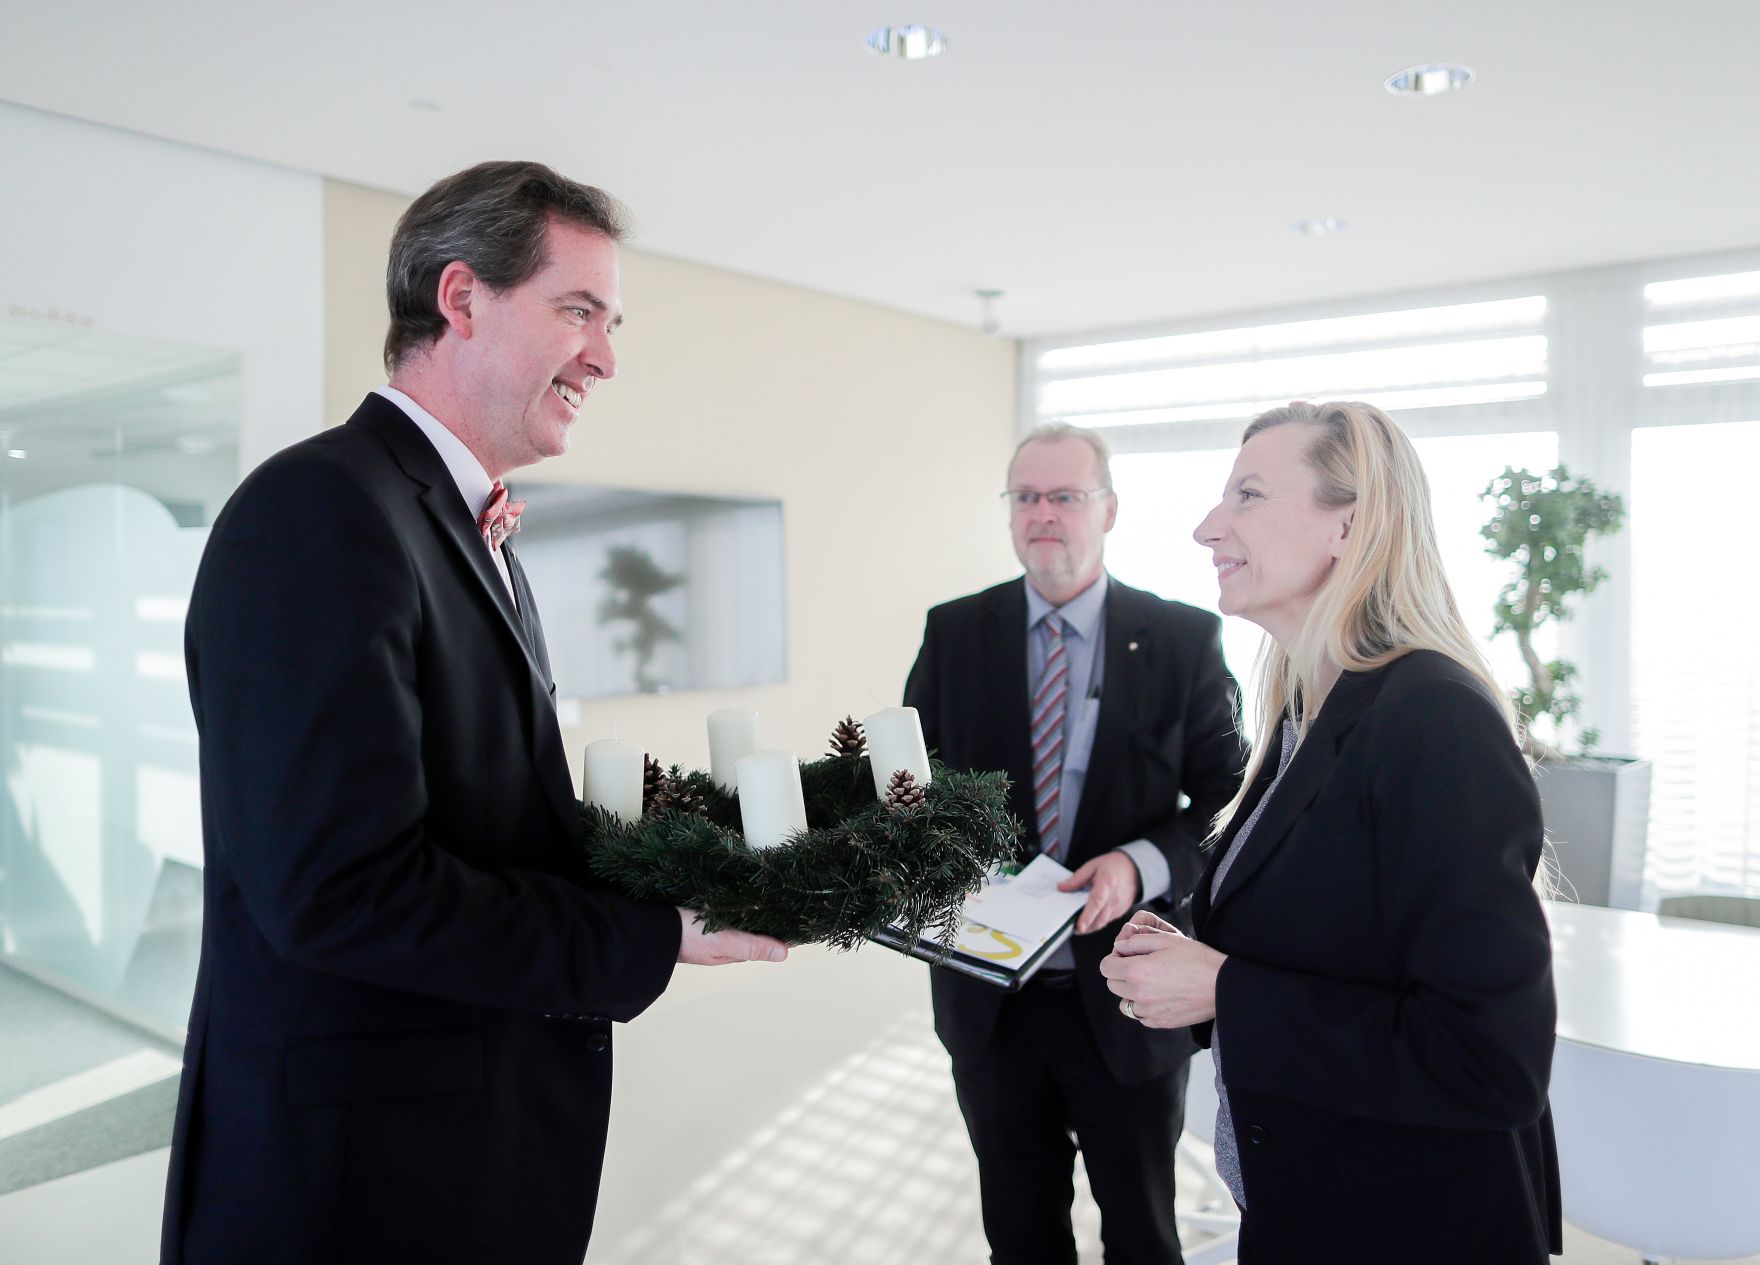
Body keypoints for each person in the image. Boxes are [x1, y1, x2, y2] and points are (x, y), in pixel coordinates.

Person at [159, 161, 788, 1265]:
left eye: (610, 320)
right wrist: (653, 935)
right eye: (577, 310)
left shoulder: (452, 522)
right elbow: (341, 891)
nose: (604, 354)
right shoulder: (319, 512)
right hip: (355, 1190)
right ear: (460, 299)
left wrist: (677, 859)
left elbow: (483, 819)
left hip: (455, 1156)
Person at [1101, 400, 1561, 1263]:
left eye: (1247, 495)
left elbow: (1488, 1061)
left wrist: (1224, 989)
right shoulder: (1304, 715)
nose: (1208, 526)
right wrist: (1191, 962)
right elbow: (1331, 948)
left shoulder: (1434, 718)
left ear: (1348, 525)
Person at [903, 423, 1245, 1265]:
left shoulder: (1182, 639)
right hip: (991, 998)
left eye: (1064, 495)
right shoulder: (955, 632)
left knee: (1141, 1231)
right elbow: (908, 792)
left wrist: (1142, 863)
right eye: (1026, 497)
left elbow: (1229, 802)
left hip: (1127, 998)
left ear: (1110, 509)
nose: (1043, 514)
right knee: (1019, 1234)